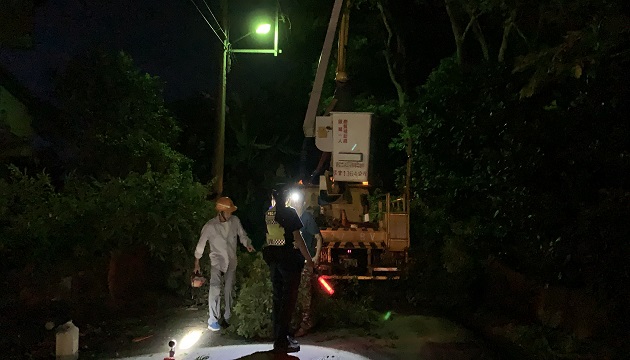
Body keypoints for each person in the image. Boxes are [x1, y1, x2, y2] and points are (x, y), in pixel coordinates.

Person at [263, 188, 315, 353]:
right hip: (288, 260)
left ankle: (279, 336)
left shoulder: (268, 214)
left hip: (273, 259)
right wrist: (309, 259)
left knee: (277, 298)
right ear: (285, 198)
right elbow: (298, 239)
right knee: (288, 300)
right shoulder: (290, 213)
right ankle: (282, 340)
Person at [193, 196, 255, 331]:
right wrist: (197, 262)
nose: (230, 214)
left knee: (228, 289)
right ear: (221, 212)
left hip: (231, 260)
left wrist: (247, 244)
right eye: (228, 212)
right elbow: (201, 245)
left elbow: (242, 235)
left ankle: (228, 317)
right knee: (215, 288)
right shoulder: (210, 226)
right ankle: (213, 320)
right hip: (217, 261)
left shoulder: (235, 221)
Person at [290, 189, 323, 337]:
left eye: (298, 201)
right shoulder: (291, 218)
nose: (295, 203)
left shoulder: (307, 218)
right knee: (296, 292)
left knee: (305, 293)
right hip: (293, 261)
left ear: (303, 203)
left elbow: (318, 237)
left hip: (305, 261)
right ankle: (298, 321)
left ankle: (306, 323)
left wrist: (316, 256)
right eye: (294, 201)